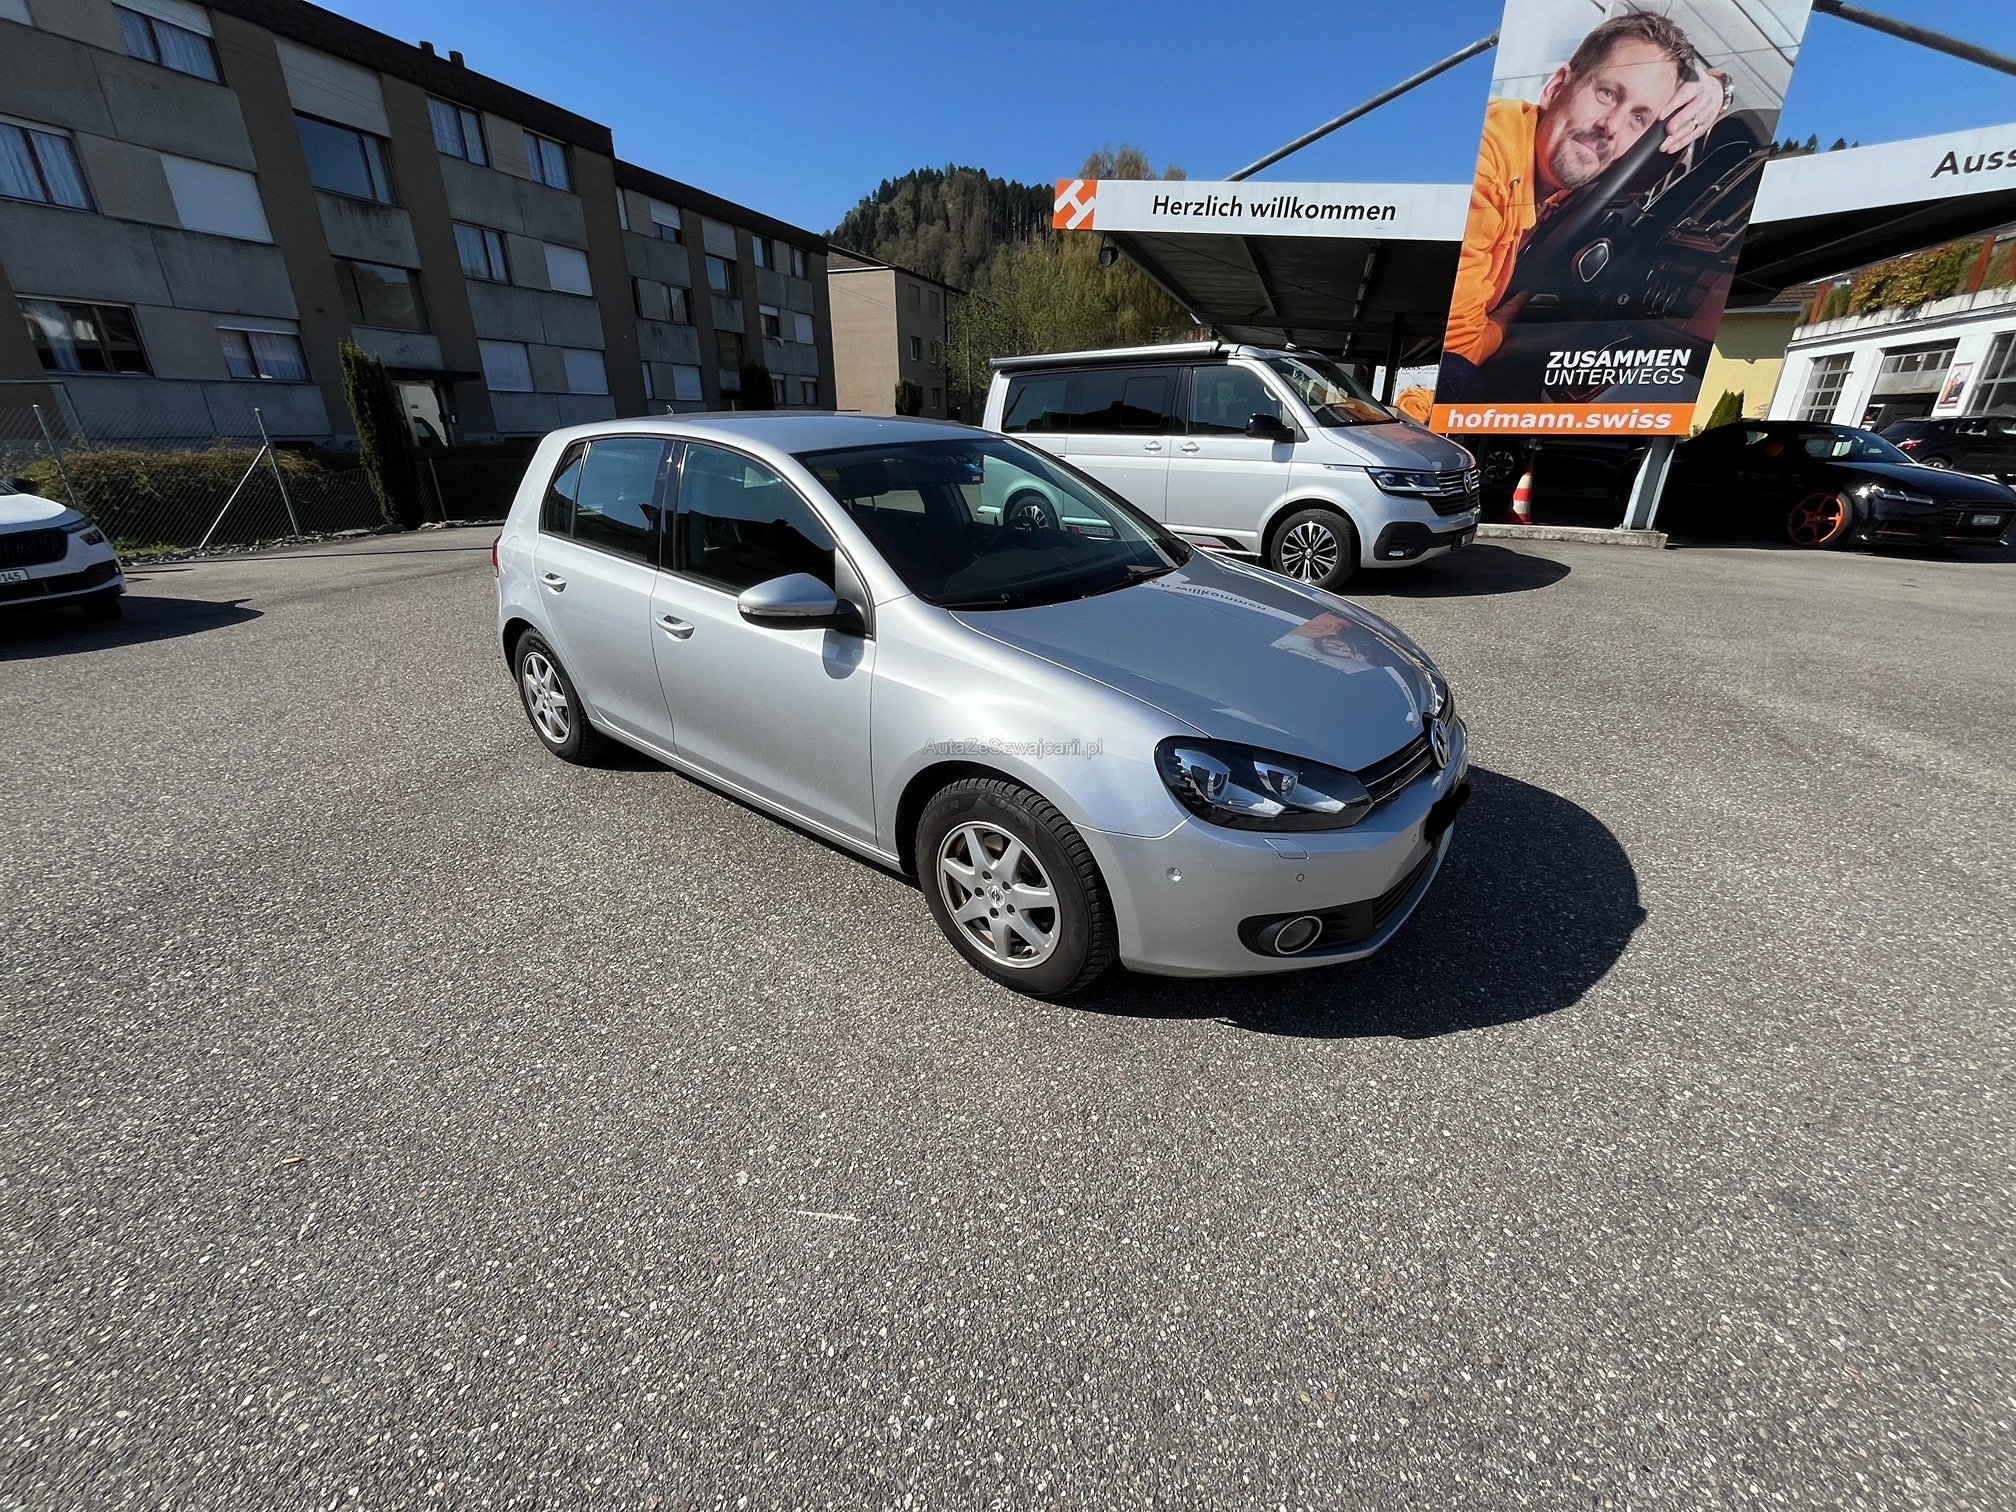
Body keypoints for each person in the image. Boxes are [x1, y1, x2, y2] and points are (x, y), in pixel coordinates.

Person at [1441, 9, 1732, 389]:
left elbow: (1642, 172)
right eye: (1607, 94)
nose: (1610, 127)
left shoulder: (1558, 169)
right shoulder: (1484, 170)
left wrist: (1716, 87)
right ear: (1556, 87)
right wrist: (1504, 321)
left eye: (1639, 118)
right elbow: (1455, 351)